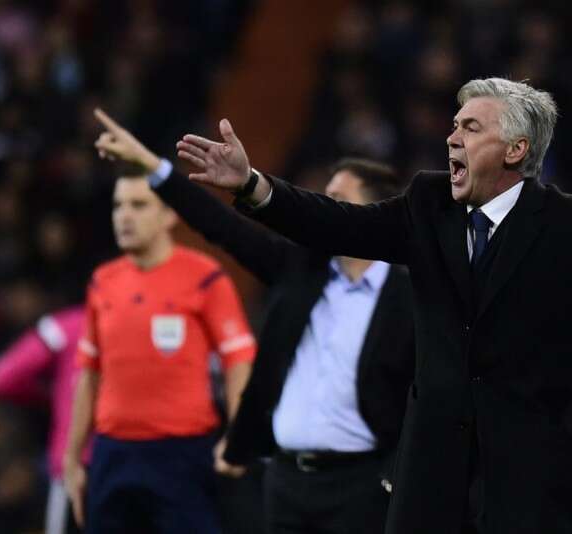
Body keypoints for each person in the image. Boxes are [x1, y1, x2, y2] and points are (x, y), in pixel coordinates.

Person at [174, 77, 572, 534]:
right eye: (454, 124)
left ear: (516, 149)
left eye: (471, 127)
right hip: (432, 482)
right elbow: (339, 225)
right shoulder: (430, 203)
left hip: (534, 482)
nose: (452, 137)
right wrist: (251, 184)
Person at [93, 110, 415, 534]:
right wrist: (153, 167)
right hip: (285, 485)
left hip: (362, 489)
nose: (326, 207)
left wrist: (393, 475)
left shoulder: (409, 297)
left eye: (339, 198)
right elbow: (221, 226)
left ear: (370, 211)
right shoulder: (299, 270)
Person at [62, 168, 257, 533]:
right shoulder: (103, 282)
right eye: (118, 206)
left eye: (138, 205)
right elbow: (89, 373)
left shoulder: (205, 278)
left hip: (182, 454)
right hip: (113, 453)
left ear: (169, 215)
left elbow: (239, 360)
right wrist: (72, 457)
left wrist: (237, 435)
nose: (124, 216)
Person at [0, 304, 86, 534]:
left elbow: (1, 378)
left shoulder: (68, 326)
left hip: (75, 465)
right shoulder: (148, 324)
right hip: (134, 464)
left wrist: (54, 396)